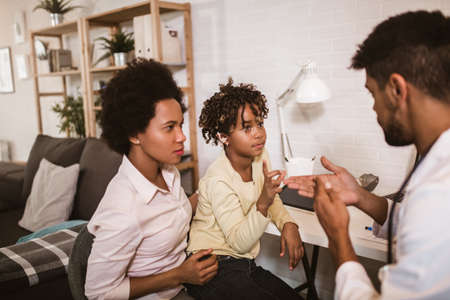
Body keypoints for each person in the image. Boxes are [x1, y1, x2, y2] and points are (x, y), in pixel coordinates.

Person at [285, 10, 450, 299]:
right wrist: (361, 196)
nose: (374, 109)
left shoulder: (438, 193)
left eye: (373, 94)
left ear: (397, 89)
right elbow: (414, 219)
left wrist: (338, 237)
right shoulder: (436, 164)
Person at [85, 59, 218, 300]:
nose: (182, 137)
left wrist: (210, 188)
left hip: (184, 285)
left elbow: (173, 214)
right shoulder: (124, 208)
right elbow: (98, 293)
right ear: (135, 133)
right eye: (169, 128)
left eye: (180, 125)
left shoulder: (168, 171)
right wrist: (179, 274)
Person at [186, 79, 304, 300]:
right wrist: (262, 203)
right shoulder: (218, 179)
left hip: (243, 263)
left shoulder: (259, 157)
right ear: (223, 137)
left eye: (259, 123)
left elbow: (270, 196)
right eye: (247, 127)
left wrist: (288, 223)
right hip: (212, 268)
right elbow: (239, 242)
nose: (258, 133)